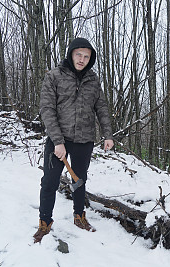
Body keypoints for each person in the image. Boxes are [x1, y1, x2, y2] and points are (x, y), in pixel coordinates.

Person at [33, 38, 114, 243]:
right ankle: (45, 222)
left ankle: (79, 216)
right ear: (71, 53)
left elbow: (101, 108)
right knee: (49, 182)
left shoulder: (93, 80)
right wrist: (58, 141)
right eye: (79, 54)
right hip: (58, 139)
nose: (82, 59)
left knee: (79, 181)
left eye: (87, 56)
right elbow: (47, 110)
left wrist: (108, 135)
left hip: (84, 140)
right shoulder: (54, 76)